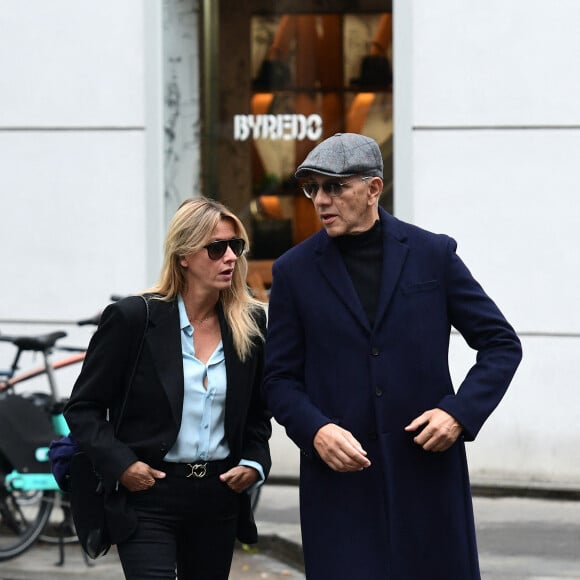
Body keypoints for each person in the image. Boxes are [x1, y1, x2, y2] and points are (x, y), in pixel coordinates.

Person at [262, 133, 522, 579]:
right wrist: (316, 430)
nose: (321, 200)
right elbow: (279, 380)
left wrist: (458, 413)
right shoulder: (293, 272)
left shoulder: (432, 255)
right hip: (340, 485)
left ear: (373, 189)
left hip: (427, 476)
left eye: (335, 187)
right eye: (313, 189)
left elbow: (500, 343)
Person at [65, 197, 271, 579]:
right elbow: (83, 408)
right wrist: (122, 465)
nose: (229, 257)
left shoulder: (250, 323)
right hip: (149, 496)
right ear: (183, 256)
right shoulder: (133, 318)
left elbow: (258, 411)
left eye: (235, 247)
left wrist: (255, 462)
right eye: (216, 247)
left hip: (218, 496)